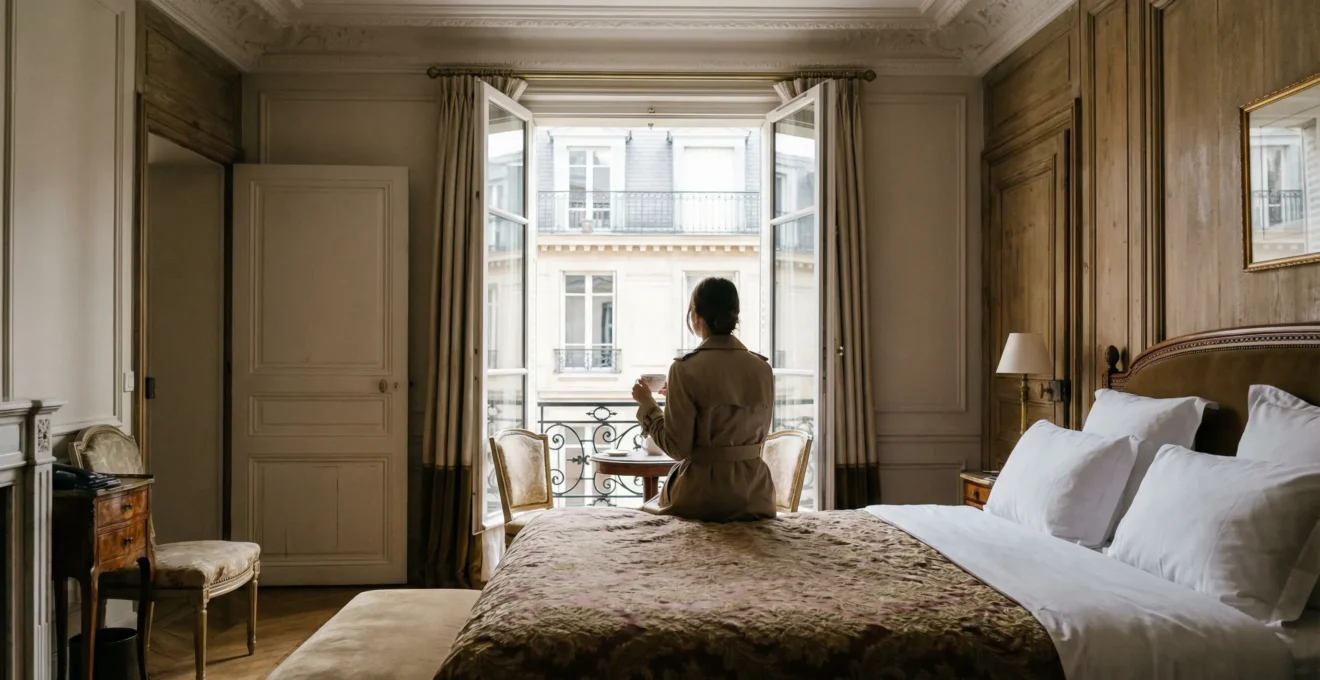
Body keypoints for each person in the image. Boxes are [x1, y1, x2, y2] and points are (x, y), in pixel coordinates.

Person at [630, 277, 776, 522]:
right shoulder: (762, 368)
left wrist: (648, 404)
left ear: (696, 316)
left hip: (701, 495)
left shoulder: (685, 369)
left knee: (645, 516)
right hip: (755, 495)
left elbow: (677, 448)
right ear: (735, 314)